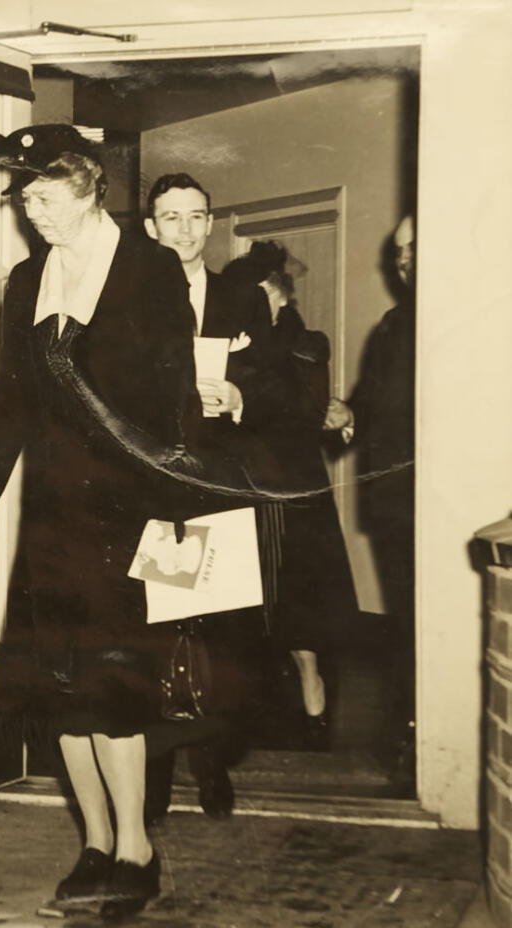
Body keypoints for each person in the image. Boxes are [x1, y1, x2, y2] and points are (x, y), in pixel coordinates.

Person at [0, 124, 203, 919]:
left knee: (117, 687)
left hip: (130, 509)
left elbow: (177, 400)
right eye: (25, 200)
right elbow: (12, 402)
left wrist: (174, 507)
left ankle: (137, 845)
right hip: (54, 511)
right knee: (60, 687)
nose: (33, 213)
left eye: (45, 196)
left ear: (89, 184)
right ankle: (96, 843)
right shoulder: (28, 279)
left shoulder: (151, 268)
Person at [140, 173, 284, 821]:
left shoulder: (244, 299)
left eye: (196, 216)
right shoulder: (126, 302)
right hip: (157, 488)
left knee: (220, 634)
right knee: (164, 629)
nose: (186, 230)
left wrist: (241, 397)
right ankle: (154, 776)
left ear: (211, 222)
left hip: (221, 484)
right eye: (171, 218)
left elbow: (277, 383)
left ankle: (212, 767)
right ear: (151, 228)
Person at [224, 240, 357, 746]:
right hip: (239, 482)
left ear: (280, 297)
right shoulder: (231, 340)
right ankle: (250, 698)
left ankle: (310, 682)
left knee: (298, 595)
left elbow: (302, 410)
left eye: (259, 296)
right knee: (245, 596)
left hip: (292, 485)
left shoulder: (305, 344)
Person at [324, 214, 416, 780]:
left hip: (434, 501)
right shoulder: (391, 325)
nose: (403, 258)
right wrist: (345, 413)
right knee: (407, 618)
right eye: (399, 249)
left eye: (414, 248)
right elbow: (372, 402)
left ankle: (417, 731)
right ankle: (409, 730)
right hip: (392, 500)